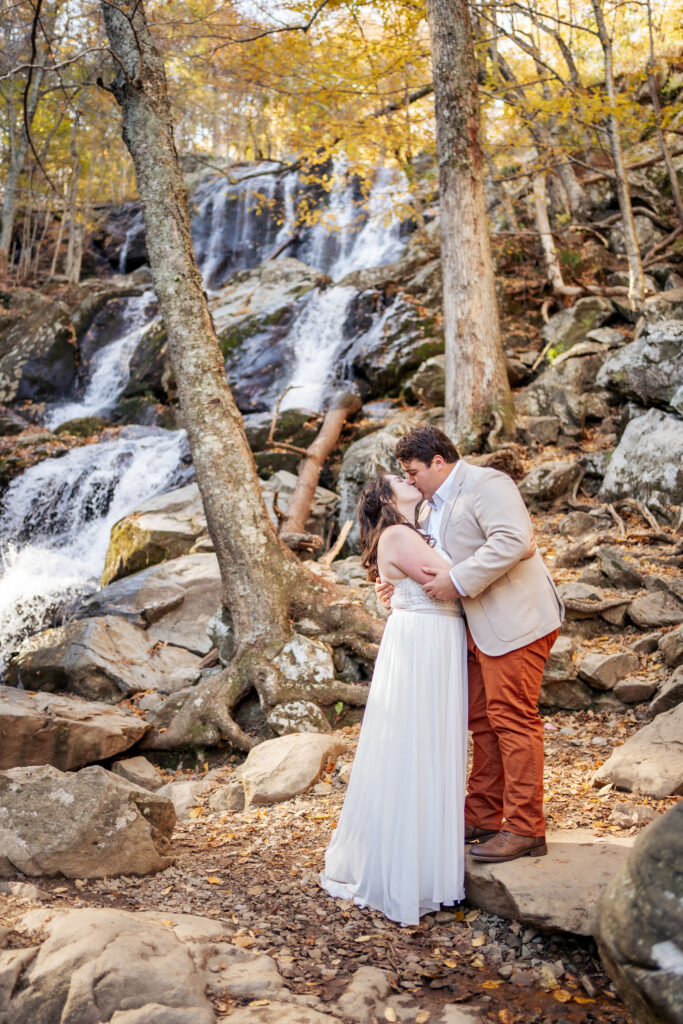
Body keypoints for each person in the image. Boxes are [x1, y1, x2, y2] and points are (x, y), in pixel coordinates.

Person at [379, 425, 564, 864]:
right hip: (474, 629)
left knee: (512, 720)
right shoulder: (428, 509)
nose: (409, 481)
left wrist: (457, 580)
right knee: (482, 721)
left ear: (438, 462)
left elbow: (514, 540)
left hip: (514, 621)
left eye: (413, 471)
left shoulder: (487, 483)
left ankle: (525, 828)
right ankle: (482, 814)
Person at [320, 473, 468, 926]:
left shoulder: (409, 532)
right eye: (396, 478)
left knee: (418, 745)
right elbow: (453, 582)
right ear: (386, 498)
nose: (408, 478)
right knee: (417, 746)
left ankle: (419, 860)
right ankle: (411, 870)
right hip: (424, 642)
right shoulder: (400, 533)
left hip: (428, 636)